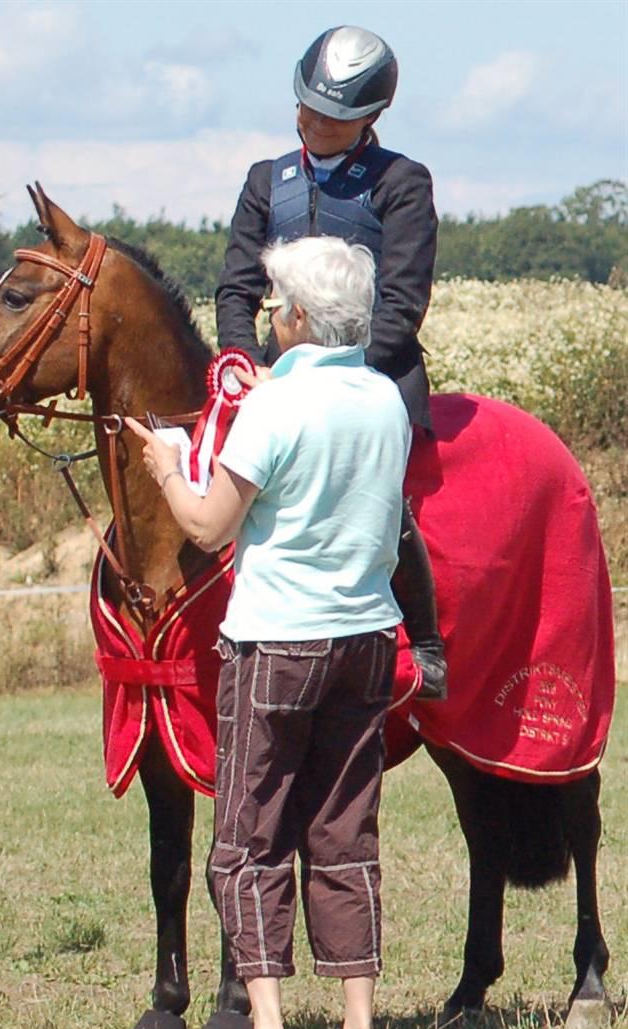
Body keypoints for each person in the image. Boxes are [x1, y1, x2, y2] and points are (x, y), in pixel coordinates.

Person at [126, 236, 411, 1029]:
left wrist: (171, 466)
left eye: (274, 303)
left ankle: (270, 1028)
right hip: (366, 638)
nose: (264, 315)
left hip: (276, 639)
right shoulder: (385, 401)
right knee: (344, 833)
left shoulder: (277, 408)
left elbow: (209, 525)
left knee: (248, 839)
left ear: (297, 317)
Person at [216, 25, 447, 698]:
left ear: (371, 117)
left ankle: (427, 645)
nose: (310, 122)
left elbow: (401, 305)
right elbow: (237, 288)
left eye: (331, 116)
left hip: (373, 379)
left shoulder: (402, 183)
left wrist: (332, 381)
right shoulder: (266, 180)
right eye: (305, 106)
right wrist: (239, 364)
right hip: (271, 378)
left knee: (389, 508)